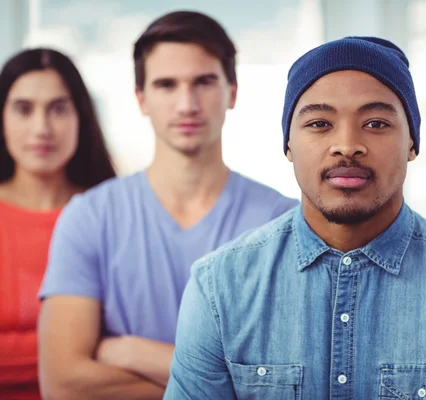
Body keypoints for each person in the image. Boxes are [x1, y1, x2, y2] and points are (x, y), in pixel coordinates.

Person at [164, 36, 426, 399]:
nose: (347, 144)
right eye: (320, 123)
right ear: (288, 145)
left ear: (412, 143)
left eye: (376, 124)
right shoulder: (219, 287)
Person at [37, 11, 298, 399]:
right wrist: (220, 381)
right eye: (166, 84)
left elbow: (285, 385)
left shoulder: (283, 223)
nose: (187, 104)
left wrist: (129, 351)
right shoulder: (89, 217)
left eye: (204, 82)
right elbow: (63, 385)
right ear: (141, 98)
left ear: (232, 91)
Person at [0, 48, 116, 399]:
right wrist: (83, 358)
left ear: (81, 116)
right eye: (23, 109)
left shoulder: (114, 214)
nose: (42, 128)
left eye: (58, 109)